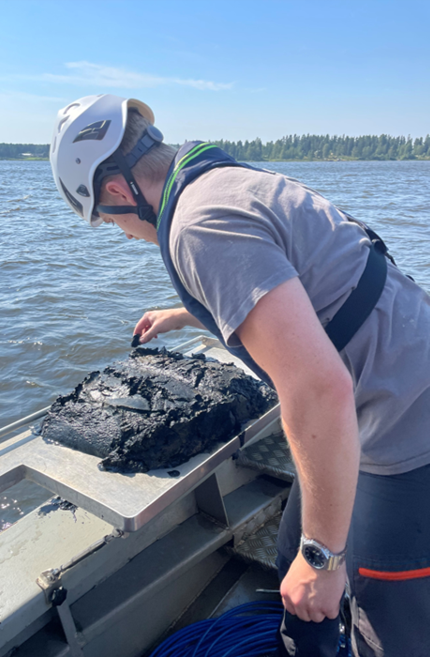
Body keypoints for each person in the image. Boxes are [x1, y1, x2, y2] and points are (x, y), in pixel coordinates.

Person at [50, 94, 430, 657]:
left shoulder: (198, 227)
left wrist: (324, 558)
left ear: (117, 191)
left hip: (402, 418)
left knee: (384, 620)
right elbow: (282, 274)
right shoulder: (215, 177)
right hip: (380, 377)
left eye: (107, 221)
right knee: (289, 557)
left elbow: (319, 389)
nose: (119, 231)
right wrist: (187, 311)